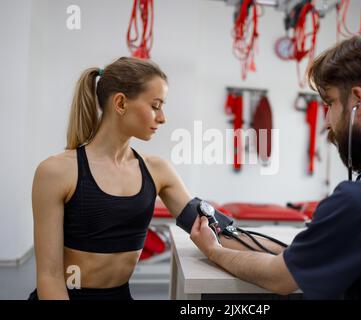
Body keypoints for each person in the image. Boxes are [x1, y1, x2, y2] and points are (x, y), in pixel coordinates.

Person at [190, 32, 361, 299]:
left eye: (330, 103)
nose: (326, 121)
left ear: (358, 101)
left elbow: (278, 277)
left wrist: (214, 251)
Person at [29, 57, 282, 300]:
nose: (163, 118)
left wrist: (290, 252)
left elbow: (219, 231)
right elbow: (49, 277)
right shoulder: (56, 172)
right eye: (155, 106)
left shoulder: (157, 170)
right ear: (120, 103)